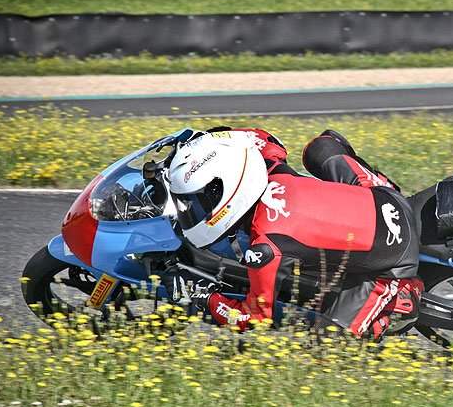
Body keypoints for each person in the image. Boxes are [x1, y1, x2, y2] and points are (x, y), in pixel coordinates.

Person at [167, 127, 423, 340]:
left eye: (199, 201)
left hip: (393, 261)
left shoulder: (265, 247)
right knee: (320, 147)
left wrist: (207, 299)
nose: (194, 210)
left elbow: (255, 317)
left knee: (326, 348)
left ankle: (399, 299)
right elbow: (263, 139)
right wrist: (207, 140)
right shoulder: (270, 168)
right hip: (384, 195)